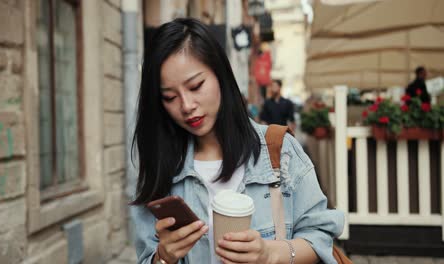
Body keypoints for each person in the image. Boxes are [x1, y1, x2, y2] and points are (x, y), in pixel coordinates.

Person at [130, 18, 344, 264]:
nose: (187, 106)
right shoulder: (160, 169)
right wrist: (163, 258)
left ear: (220, 74)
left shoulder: (279, 151)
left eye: (196, 86)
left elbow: (320, 239)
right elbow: (147, 257)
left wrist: (269, 253)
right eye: (169, 97)